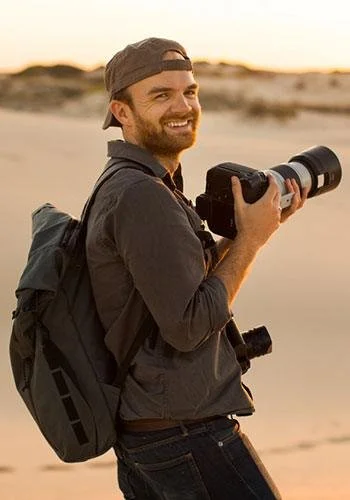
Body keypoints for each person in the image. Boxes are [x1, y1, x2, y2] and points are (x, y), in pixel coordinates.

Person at [86, 37, 307, 499]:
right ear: (122, 112)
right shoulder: (141, 195)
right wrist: (251, 241)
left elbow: (176, 290)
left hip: (157, 434)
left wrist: (249, 228)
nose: (182, 105)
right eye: (160, 95)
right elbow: (188, 326)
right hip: (185, 436)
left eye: (190, 91)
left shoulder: (142, 184)